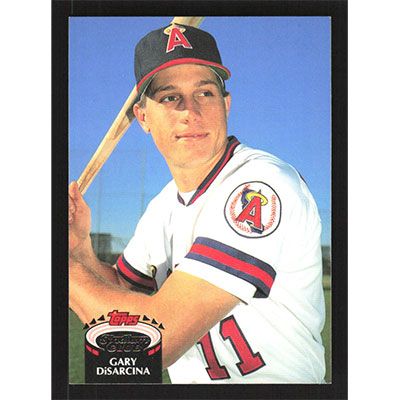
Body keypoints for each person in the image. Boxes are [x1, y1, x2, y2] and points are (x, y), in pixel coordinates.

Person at [69, 23, 326, 383]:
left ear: (226, 104)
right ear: (143, 117)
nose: (190, 111)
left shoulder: (260, 187)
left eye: (205, 93)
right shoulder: (162, 208)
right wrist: (77, 248)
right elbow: (119, 295)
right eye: (169, 97)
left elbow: (148, 348)